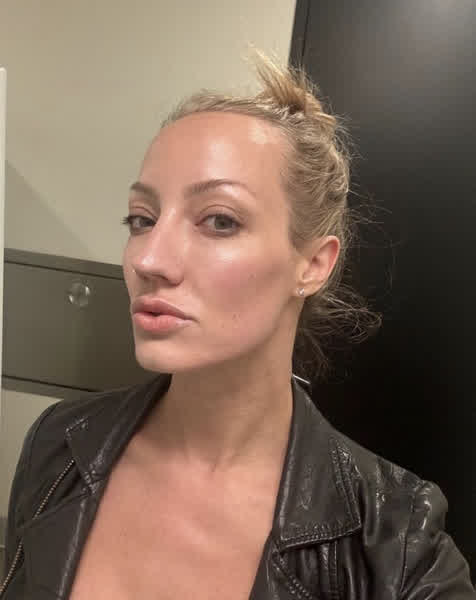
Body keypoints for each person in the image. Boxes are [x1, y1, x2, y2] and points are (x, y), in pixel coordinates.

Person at [1, 50, 474, 600]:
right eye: (141, 219)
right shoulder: (59, 444)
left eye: (220, 221)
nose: (150, 259)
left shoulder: (399, 549)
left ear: (312, 264)